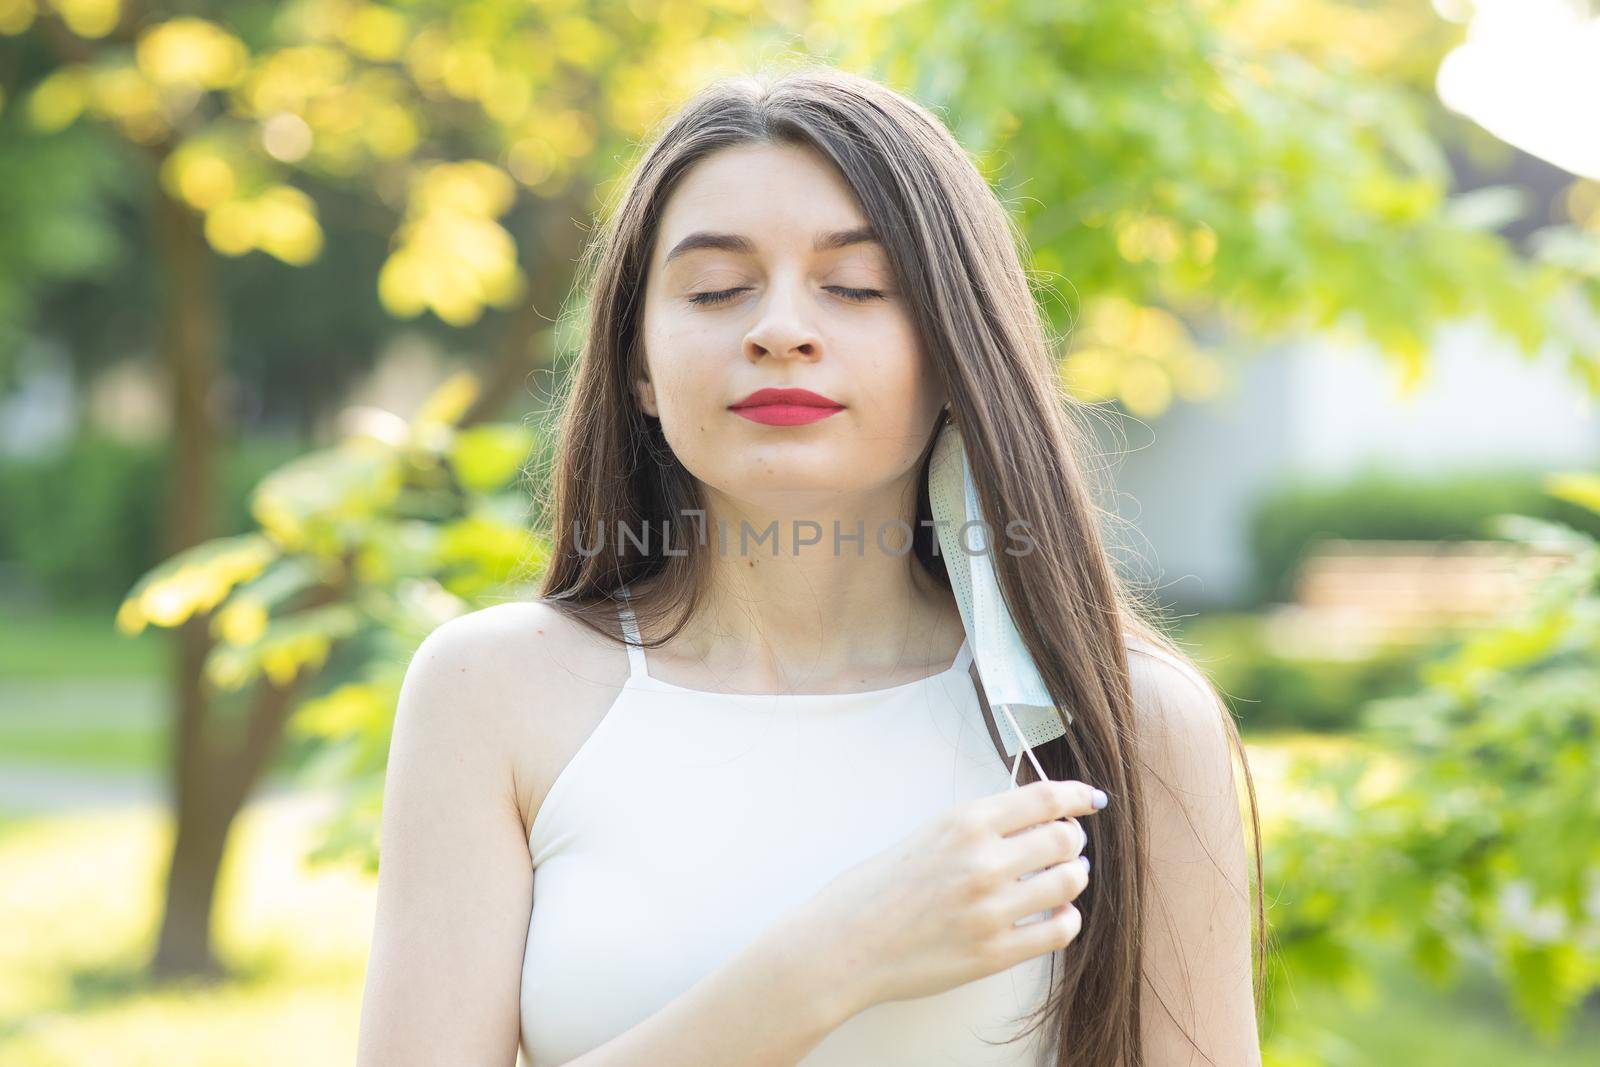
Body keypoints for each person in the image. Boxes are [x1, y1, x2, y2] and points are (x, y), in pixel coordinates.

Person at [356, 64, 1263, 1067]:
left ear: (957, 354)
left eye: (856, 286)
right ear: (639, 368)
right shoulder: (492, 691)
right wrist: (829, 963)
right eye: (716, 289)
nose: (780, 328)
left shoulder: (1126, 721)